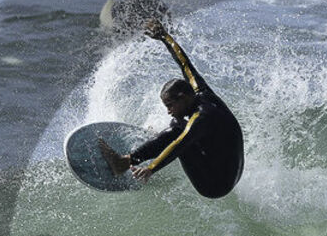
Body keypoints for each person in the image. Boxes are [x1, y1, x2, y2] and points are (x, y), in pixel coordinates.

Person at [99, 19, 244, 199]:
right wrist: (165, 37)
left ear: (183, 97)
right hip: (224, 167)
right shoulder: (199, 90)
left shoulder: (202, 117)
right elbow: (185, 64)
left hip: (215, 185)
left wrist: (151, 168)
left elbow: (178, 145)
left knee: (177, 131)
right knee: (177, 123)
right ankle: (150, 149)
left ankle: (123, 163)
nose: (168, 110)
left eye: (170, 105)